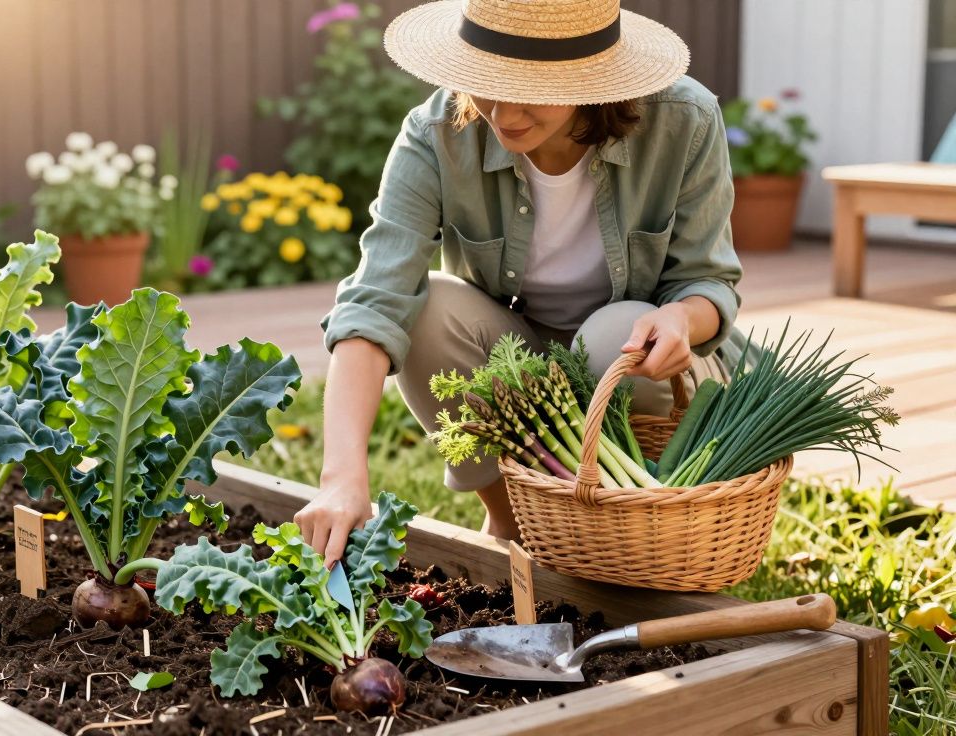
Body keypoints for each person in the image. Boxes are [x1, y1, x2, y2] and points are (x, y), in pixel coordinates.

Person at [295, 0, 744, 564]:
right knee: (426, 307)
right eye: (486, 83)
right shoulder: (436, 134)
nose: (503, 113)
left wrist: (682, 317)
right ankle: (510, 520)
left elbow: (707, 281)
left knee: (612, 335)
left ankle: (620, 539)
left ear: (592, 76)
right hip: (518, 355)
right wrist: (340, 478)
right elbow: (373, 303)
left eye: (530, 87)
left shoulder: (684, 120)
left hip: (637, 357)